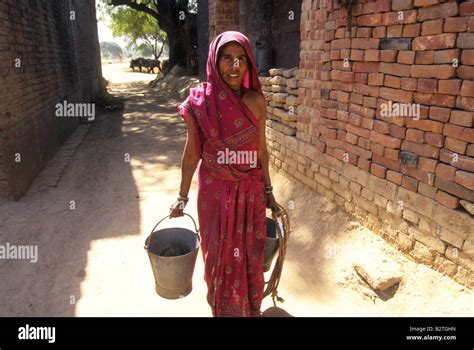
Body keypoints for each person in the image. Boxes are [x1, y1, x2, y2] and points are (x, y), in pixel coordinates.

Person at [170, 31, 279, 317]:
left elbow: (261, 152)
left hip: (250, 193)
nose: (235, 66)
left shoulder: (257, 101)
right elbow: (192, 153)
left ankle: (248, 309)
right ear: (214, 62)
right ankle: (222, 310)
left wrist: (268, 191)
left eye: (241, 59)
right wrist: (182, 197)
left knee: (249, 257)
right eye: (227, 58)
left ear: (249, 64)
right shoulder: (199, 103)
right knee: (217, 257)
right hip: (214, 195)